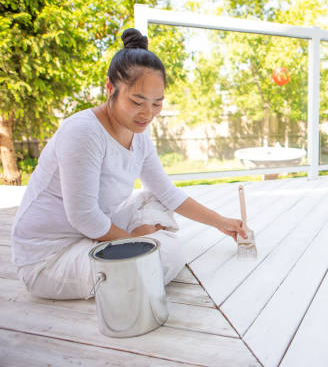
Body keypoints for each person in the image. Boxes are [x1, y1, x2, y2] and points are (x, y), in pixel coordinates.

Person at [10, 28, 247, 300]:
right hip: (51, 257)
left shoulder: (139, 136)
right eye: (137, 101)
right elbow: (83, 215)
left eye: (157, 104)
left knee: (152, 201)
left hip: (93, 231)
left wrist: (222, 222)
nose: (148, 114)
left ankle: (136, 245)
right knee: (163, 256)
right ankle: (139, 246)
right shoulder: (83, 131)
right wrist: (134, 240)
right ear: (110, 88)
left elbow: (167, 193)